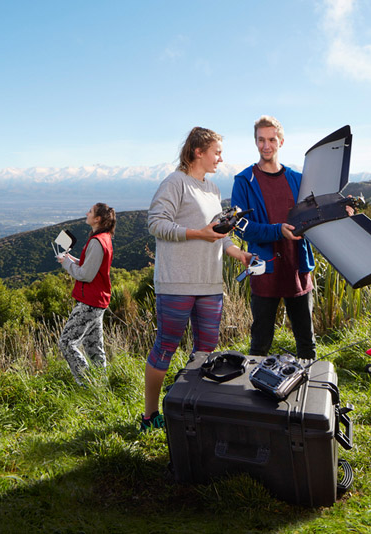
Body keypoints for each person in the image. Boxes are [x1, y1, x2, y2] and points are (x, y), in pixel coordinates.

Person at [140, 127, 254, 431]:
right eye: (216, 152)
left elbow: (217, 236)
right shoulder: (175, 182)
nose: (221, 157)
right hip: (177, 282)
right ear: (197, 152)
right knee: (165, 346)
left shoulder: (213, 190)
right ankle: (150, 415)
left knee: (205, 349)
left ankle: (194, 409)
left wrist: (238, 252)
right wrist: (197, 233)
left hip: (210, 284)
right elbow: (156, 224)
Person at [230, 116, 318, 360]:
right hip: (265, 270)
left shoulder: (298, 179)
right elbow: (241, 228)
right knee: (260, 344)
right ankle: (253, 395)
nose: (265, 146)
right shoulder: (244, 181)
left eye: (271, 139)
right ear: (255, 141)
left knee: (306, 342)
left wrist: (343, 208)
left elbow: (315, 214)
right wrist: (277, 230)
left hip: (297, 268)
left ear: (281, 141)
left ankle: (309, 393)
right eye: (260, 140)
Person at [56, 203, 116, 386]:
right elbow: (87, 264)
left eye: (90, 211)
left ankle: (87, 383)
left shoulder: (98, 242)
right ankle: (101, 384)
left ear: (97, 219)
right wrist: (69, 259)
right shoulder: (102, 238)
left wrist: (66, 264)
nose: (86, 213)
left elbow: (86, 275)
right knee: (93, 347)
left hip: (90, 301)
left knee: (66, 343)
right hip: (98, 300)